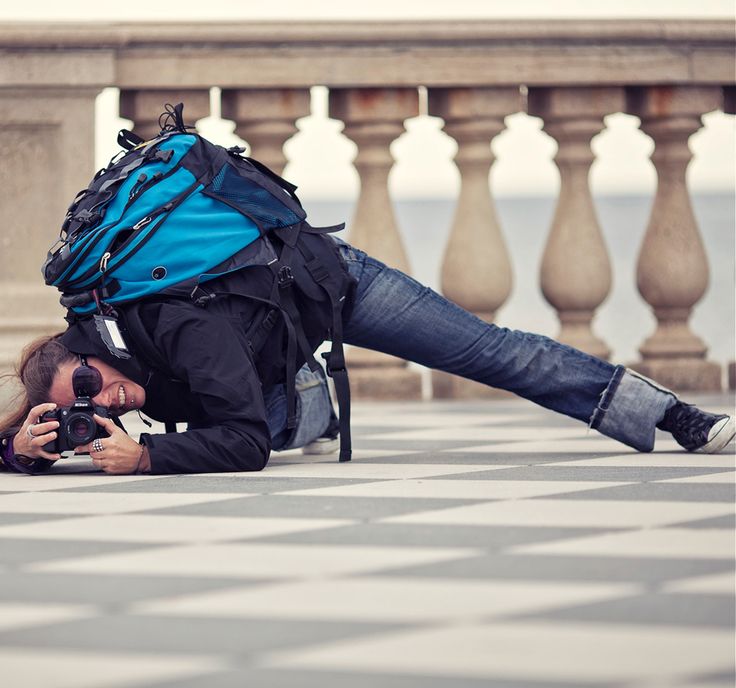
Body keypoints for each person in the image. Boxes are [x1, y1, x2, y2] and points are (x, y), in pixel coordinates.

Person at [1, 238, 733, 475]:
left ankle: (674, 413)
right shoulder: (120, 364)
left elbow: (246, 443)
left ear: (84, 348)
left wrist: (149, 460)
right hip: (264, 353)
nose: (106, 403)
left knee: (489, 352)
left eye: (88, 383)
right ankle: (307, 388)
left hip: (334, 286)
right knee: (285, 414)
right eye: (84, 411)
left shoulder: (170, 326)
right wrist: (21, 454)